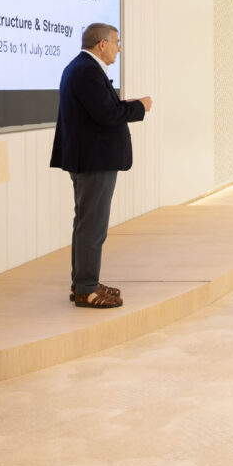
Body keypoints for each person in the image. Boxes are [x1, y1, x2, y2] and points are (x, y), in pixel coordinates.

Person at [50, 23, 152, 309]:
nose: (119, 48)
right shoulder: (87, 71)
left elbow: (99, 110)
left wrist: (123, 105)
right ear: (102, 44)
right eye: (117, 42)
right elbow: (107, 115)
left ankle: (83, 283)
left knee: (86, 223)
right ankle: (87, 289)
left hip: (89, 158)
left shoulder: (82, 68)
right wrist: (139, 106)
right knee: (93, 226)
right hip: (94, 160)